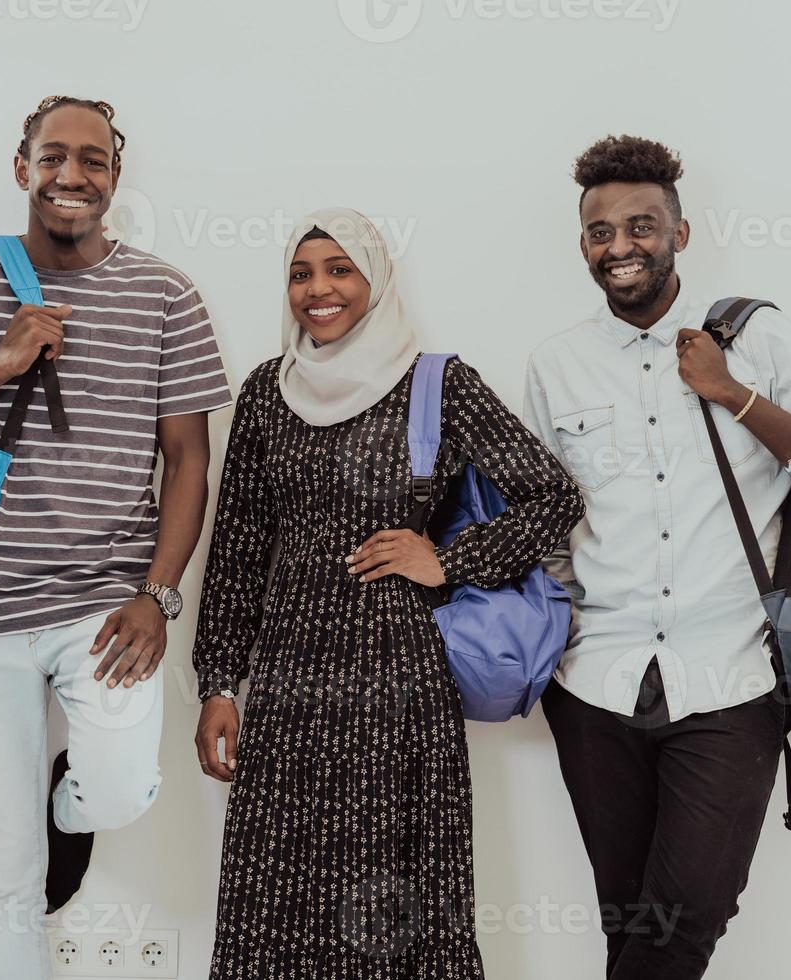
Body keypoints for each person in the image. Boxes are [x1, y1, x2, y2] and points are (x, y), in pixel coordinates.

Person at [0, 96, 232, 979]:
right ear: (21, 163)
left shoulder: (166, 295)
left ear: (116, 172)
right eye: (54, 156)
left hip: (104, 604)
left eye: (94, 160)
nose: (73, 176)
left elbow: (187, 464)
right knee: (4, 875)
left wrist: (157, 595)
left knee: (117, 789)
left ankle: (68, 803)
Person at [192, 207, 585, 978]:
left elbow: (553, 497)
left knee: (392, 896)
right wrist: (216, 684)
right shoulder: (267, 394)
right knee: (276, 892)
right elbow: (237, 550)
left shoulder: (438, 383)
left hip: (397, 681)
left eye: (341, 269)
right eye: (301, 273)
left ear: (376, 279)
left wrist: (448, 558)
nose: (318, 289)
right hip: (289, 687)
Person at [523, 135, 791, 979]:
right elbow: (544, 523)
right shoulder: (556, 364)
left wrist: (733, 393)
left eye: (641, 226)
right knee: (632, 926)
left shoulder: (759, 338)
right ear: (582, 246)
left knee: (685, 925)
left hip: (731, 680)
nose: (621, 247)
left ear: (681, 233)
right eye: (601, 232)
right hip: (596, 684)